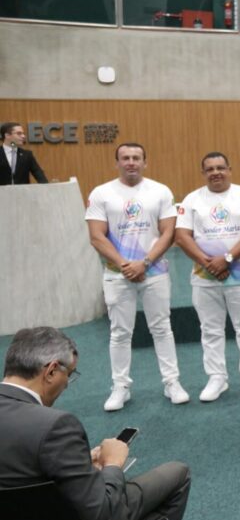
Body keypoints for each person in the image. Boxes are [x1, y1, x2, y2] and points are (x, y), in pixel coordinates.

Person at [0, 327, 192, 520]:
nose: (66, 385)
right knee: (178, 474)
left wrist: (79, 463)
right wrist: (112, 464)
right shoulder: (56, 426)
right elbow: (99, 513)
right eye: (69, 375)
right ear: (52, 371)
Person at [85, 143, 189, 412]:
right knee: (120, 332)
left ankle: (172, 382)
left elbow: (168, 232)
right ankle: (120, 387)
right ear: (116, 162)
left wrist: (144, 263)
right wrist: (123, 264)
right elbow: (96, 236)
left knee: (162, 328)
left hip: (154, 273)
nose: (131, 162)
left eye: (136, 158)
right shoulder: (102, 193)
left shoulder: (160, 191)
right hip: (117, 274)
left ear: (145, 162)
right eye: (125, 158)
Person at [174, 152, 240, 402]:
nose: (216, 172)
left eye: (220, 167)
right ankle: (217, 378)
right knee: (210, 329)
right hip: (204, 277)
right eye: (210, 169)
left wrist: (227, 259)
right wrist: (208, 263)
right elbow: (182, 236)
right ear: (203, 173)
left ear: (230, 169)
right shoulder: (192, 199)